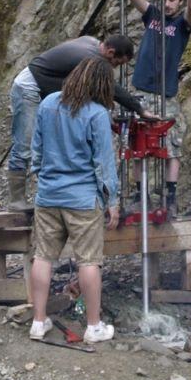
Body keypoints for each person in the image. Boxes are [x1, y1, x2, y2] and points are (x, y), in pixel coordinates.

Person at [26, 56, 121, 345]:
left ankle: (38, 322)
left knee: (43, 256)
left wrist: (42, 177)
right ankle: (93, 327)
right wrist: (112, 200)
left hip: (48, 195)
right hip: (82, 199)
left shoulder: (48, 103)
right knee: (89, 261)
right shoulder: (96, 114)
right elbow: (103, 163)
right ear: (102, 85)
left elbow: (37, 150)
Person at [6, 33, 144, 206]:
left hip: (44, 88)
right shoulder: (89, 58)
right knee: (24, 144)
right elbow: (111, 88)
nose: (114, 68)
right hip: (29, 88)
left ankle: (45, 193)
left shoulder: (91, 42)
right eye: (117, 63)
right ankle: (16, 201)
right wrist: (139, 109)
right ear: (110, 52)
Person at [125, 0, 191, 212]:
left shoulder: (182, 25)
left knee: (172, 145)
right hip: (141, 89)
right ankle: (140, 194)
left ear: (177, 2)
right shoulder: (152, 16)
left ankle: (170, 194)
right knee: (138, 143)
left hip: (166, 92)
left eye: (171, 0)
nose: (167, 4)